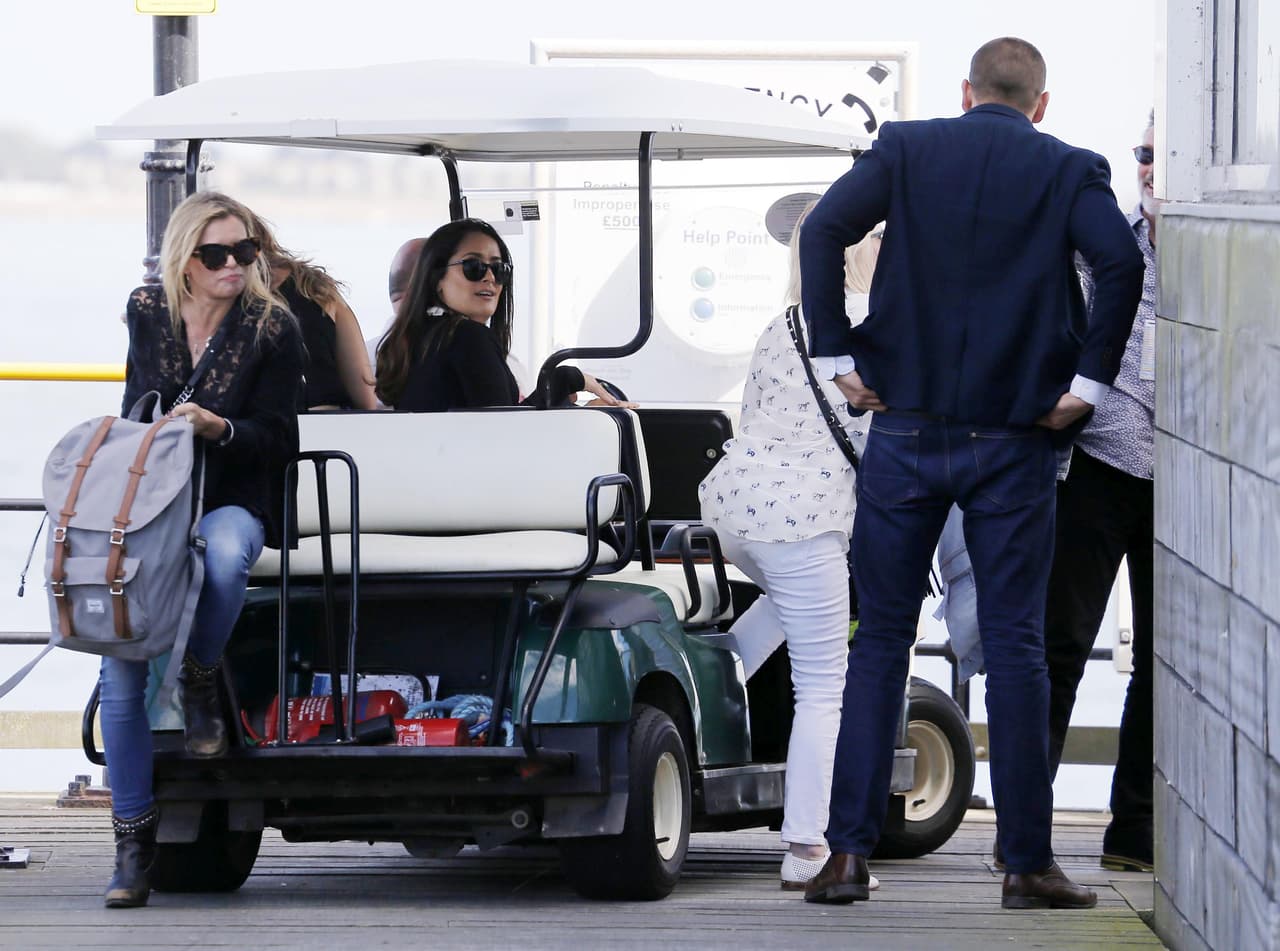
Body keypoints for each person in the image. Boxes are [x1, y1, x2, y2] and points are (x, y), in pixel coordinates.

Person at [798, 37, 1144, 909]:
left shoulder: (908, 149)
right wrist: (1088, 385)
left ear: (965, 92)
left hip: (905, 429)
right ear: (1040, 103)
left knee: (879, 640)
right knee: (1019, 646)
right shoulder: (1070, 169)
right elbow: (1120, 262)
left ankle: (846, 855)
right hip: (1014, 438)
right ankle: (1026, 862)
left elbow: (823, 228)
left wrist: (837, 350)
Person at [104, 191, 303, 908]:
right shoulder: (147, 309)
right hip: (152, 503)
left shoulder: (272, 326)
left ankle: (198, 667)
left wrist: (221, 428)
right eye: (214, 254)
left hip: (233, 495)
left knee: (223, 560)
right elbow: (134, 408)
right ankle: (132, 843)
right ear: (183, 260)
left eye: (244, 251)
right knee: (119, 664)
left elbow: (283, 438)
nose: (232, 265)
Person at [699, 207, 876, 892]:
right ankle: (806, 844)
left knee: (786, 606)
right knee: (823, 686)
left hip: (736, 510)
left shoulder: (783, 325)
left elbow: (754, 416)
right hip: (805, 522)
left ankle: (715, 673)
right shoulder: (868, 323)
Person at [1043, 112, 1159, 874]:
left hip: (1190, 478)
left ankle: (1134, 833)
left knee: (1165, 658)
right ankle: (1025, 823)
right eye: (1143, 153)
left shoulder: (1236, 250)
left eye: (1162, 154)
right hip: (1098, 460)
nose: (1149, 167)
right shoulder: (1103, 239)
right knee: (1060, 644)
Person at [375, 218, 628, 411]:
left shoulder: (412, 339)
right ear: (437, 278)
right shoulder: (467, 338)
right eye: (473, 267)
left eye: (499, 269)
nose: (490, 278)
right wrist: (573, 393)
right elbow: (507, 431)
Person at [248, 212, 377, 411]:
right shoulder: (314, 287)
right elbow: (365, 396)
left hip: (269, 432)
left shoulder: (223, 306)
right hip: (332, 425)